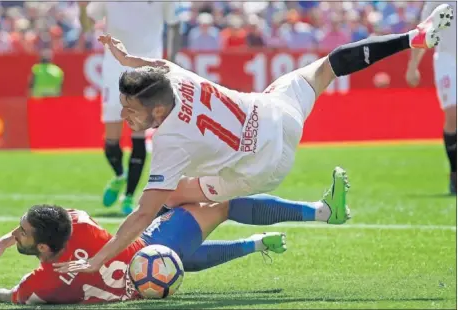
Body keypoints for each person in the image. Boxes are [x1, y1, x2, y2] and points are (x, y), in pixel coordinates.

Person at [55, 4, 453, 276]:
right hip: (276, 114)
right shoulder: (172, 75)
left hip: (261, 169)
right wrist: (127, 61)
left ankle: (310, 214)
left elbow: (141, 213)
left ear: (158, 113)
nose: (125, 116)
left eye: (131, 110)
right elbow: (152, 65)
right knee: (328, 66)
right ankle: (412, 38)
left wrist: (98, 260)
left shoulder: (168, 144)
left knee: (173, 198)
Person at [0, 194, 328, 304]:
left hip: (143, 281)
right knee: (221, 204)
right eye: (20, 231)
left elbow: (11, 295)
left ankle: (255, 244)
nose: (16, 232)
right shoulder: (84, 226)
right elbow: (69, 217)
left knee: (176, 260)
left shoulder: (43, 283)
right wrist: (9, 239)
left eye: (20, 230)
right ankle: (319, 212)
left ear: (44, 246)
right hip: (151, 250)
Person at [79, 1, 181, 214]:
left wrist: (171, 61)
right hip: (112, 72)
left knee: (139, 135)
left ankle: (128, 196)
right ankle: (119, 176)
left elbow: (174, 24)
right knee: (111, 141)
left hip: (146, 72)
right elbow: (88, 26)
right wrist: (81, 7)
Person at [406, 1, 456, 194]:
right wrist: (413, 66)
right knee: (453, 114)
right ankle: (455, 172)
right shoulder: (435, 2)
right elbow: (424, 32)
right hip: (446, 59)